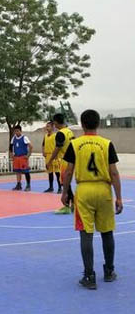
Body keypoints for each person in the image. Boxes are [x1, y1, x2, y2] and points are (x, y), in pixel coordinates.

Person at [61, 109, 122, 290]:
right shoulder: (106, 144)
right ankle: (109, 271)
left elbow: (68, 171)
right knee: (107, 232)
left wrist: (65, 192)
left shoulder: (75, 144)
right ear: (98, 123)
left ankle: (89, 275)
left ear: (82, 124)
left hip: (84, 190)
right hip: (103, 190)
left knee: (85, 233)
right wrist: (119, 197)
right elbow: (114, 173)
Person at [48, 113, 75, 214]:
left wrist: (50, 160)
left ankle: (67, 205)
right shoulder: (69, 132)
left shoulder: (60, 133)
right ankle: (73, 204)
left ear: (55, 122)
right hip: (72, 160)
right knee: (67, 183)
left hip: (65, 160)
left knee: (64, 183)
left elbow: (57, 148)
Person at [10, 126, 33, 191]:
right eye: (15, 131)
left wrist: (28, 155)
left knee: (26, 171)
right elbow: (10, 147)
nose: (16, 132)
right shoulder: (13, 138)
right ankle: (18, 184)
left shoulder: (24, 137)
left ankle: (28, 185)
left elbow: (31, 146)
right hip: (16, 157)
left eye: (17, 131)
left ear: (20, 131)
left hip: (23, 157)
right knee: (17, 171)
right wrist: (11, 155)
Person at [42, 121, 62, 193]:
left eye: (48, 126)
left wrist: (57, 154)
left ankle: (60, 188)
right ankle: (51, 187)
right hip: (48, 156)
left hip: (55, 156)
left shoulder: (56, 135)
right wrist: (43, 151)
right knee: (50, 172)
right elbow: (43, 144)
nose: (47, 128)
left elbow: (58, 146)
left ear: (53, 127)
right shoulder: (45, 136)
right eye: (46, 126)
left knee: (57, 173)